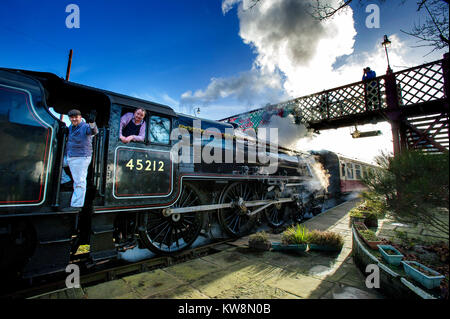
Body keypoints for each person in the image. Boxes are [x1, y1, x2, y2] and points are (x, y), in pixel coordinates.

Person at [60, 109, 98, 211]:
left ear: (80, 117)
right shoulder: (71, 127)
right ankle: (66, 180)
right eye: (72, 117)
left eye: (76, 117)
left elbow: (94, 131)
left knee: (79, 181)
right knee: (55, 165)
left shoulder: (85, 126)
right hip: (70, 156)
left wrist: (92, 122)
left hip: (81, 157)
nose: (74, 119)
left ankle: (76, 205)